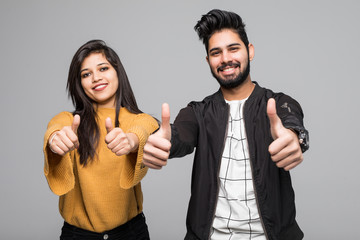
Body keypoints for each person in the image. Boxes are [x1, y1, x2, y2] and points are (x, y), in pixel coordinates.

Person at [143, 9, 309, 240]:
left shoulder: (279, 103)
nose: (225, 59)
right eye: (215, 53)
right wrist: (163, 140)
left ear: (249, 51)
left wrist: (295, 138)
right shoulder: (198, 112)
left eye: (233, 48)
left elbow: (291, 122)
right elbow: (179, 134)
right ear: (208, 60)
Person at [43, 40, 158, 240]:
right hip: (77, 235)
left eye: (103, 68)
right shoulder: (70, 121)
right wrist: (55, 140)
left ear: (117, 72)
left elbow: (146, 127)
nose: (96, 78)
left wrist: (131, 140)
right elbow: (55, 128)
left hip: (130, 233)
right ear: (79, 83)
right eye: (86, 74)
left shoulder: (139, 120)